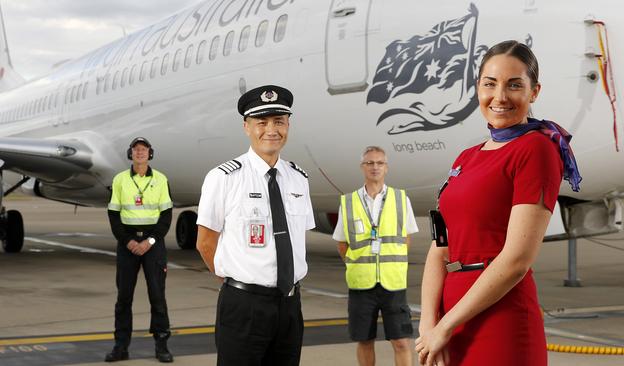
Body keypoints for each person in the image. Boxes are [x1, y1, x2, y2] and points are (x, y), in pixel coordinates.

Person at [415, 40, 582, 366]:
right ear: (477, 88)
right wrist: (428, 325)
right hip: (451, 318)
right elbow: (441, 248)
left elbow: (517, 260)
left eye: (514, 85)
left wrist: (444, 326)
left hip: (500, 318)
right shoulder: (467, 157)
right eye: (490, 84)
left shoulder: (536, 150)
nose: (500, 96)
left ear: (534, 92)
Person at [196, 84, 315, 366]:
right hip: (244, 306)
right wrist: (234, 277)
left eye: (279, 121)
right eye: (262, 122)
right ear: (246, 127)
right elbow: (205, 242)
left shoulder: (299, 178)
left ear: (288, 125)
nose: (271, 130)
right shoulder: (224, 177)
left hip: (289, 306)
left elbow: (298, 239)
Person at [332, 146, 419, 366]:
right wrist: (356, 264)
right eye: (370, 163)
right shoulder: (349, 202)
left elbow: (406, 238)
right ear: (363, 167)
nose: (375, 167)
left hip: (393, 284)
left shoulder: (401, 199)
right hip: (362, 285)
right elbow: (342, 243)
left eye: (380, 163)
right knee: (364, 340)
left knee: (401, 342)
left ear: (386, 168)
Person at [105, 137, 174, 363]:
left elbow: (165, 217)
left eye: (144, 150)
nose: (140, 153)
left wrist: (150, 242)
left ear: (150, 154)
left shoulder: (161, 179)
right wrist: (128, 241)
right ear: (130, 154)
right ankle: (120, 346)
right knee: (123, 298)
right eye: (136, 150)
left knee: (157, 296)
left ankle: (161, 345)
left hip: (153, 245)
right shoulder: (120, 180)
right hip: (128, 245)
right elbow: (114, 215)